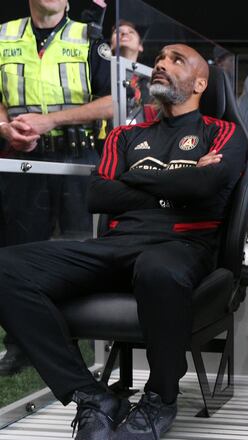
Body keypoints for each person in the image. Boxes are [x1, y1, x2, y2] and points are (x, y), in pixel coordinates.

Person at [0, 43, 247, 440]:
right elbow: (99, 195)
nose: (161, 65)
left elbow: (209, 186)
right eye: (160, 59)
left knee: (156, 268)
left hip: (183, 247)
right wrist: (177, 189)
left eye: (176, 60)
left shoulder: (224, 133)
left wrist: (133, 180)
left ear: (201, 82)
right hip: (117, 245)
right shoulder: (124, 136)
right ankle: (91, 395)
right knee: (6, 269)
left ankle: (161, 398)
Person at [0, 0, 113, 377]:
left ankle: (78, 340)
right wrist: (5, 127)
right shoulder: (4, 34)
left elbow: (113, 102)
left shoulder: (88, 37)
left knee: (78, 251)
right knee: (15, 251)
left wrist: (50, 121)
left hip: (77, 159)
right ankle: (19, 345)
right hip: (20, 159)